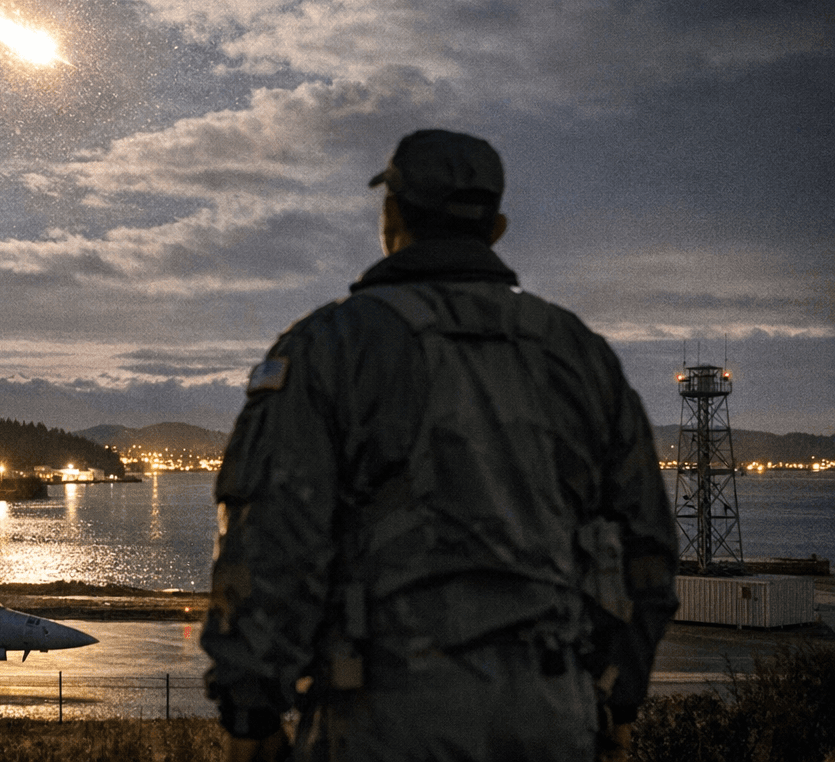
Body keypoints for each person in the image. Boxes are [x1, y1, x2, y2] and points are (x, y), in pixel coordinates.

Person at [202, 130, 678, 762]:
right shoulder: (579, 354)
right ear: (497, 227)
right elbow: (647, 546)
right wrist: (618, 704)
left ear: (391, 216)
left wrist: (251, 711)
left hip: (384, 719)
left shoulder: (331, 345)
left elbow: (272, 536)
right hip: (554, 716)